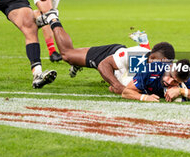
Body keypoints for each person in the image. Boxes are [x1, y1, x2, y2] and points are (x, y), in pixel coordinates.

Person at [36, 9, 175, 94]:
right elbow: (104, 65)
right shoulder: (136, 56)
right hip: (109, 55)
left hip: (122, 63)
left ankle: (80, 63)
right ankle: (53, 18)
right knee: (67, 54)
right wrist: (118, 86)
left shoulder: (166, 73)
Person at [122, 59, 190, 102]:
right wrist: (144, 97)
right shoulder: (151, 69)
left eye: (175, 81)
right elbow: (126, 92)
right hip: (127, 74)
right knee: (115, 88)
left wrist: (181, 91)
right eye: (170, 76)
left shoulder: (184, 78)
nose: (169, 82)